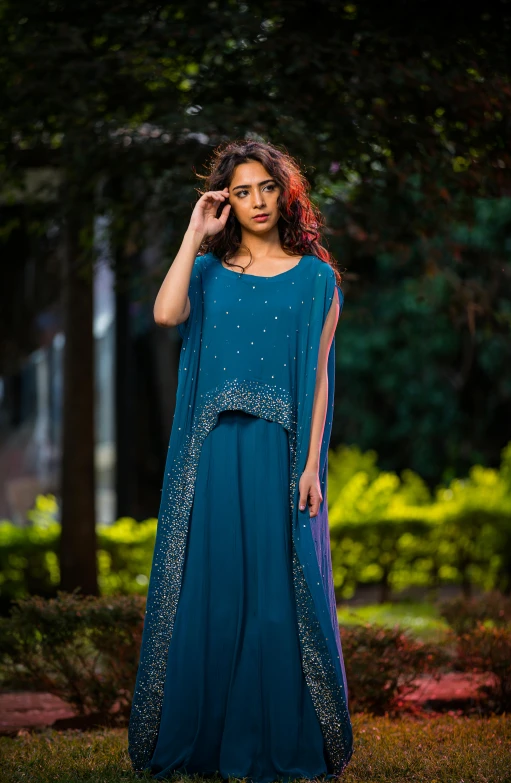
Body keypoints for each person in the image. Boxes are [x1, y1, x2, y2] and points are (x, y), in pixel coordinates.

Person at [128, 139, 354, 782]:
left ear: (287, 194)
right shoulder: (203, 271)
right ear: (226, 199)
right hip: (211, 454)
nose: (257, 201)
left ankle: (283, 739)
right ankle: (204, 740)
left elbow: (319, 379)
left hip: (281, 457)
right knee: (216, 593)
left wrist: (312, 465)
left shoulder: (317, 279)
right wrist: (195, 233)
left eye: (267, 188)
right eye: (243, 190)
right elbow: (166, 312)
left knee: (280, 599)